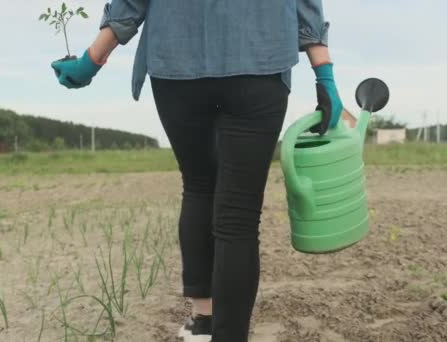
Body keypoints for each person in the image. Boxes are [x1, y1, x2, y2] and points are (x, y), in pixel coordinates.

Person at [51, 1, 342, 341]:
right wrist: (324, 73)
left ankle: (202, 322)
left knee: (199, 186)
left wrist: (93, 58)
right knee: (239, 216)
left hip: (177, 62)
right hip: (258, 60)